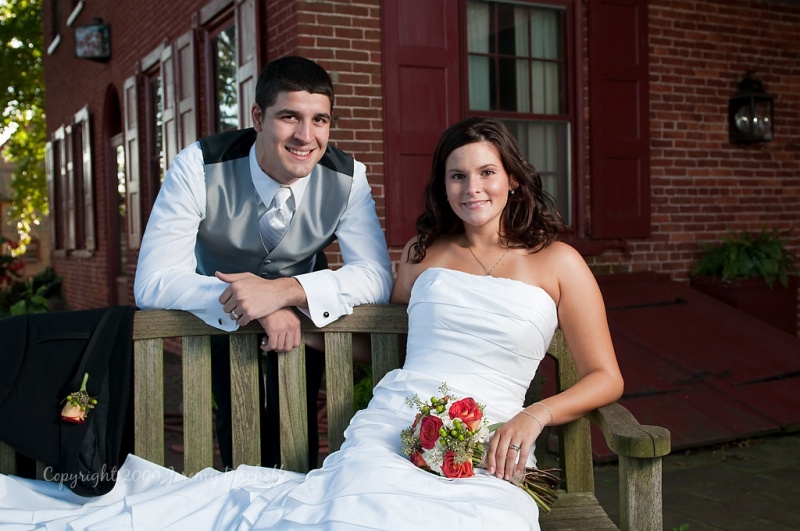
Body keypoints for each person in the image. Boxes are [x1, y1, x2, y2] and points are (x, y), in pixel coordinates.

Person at [0, 117, 622, 529]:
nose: (471, 187)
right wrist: (285, 305)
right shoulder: (421, 256)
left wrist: (535, 414)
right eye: (457, 175)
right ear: (445, 185)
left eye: (486, 172)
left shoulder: (557, 262)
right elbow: (365, 304)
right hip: (400, 422)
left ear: (511, 179)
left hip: (496, 437)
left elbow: (605, 377)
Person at [133, 55, 393, 470]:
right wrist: (248, 302)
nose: (306, 136)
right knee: (236, 424)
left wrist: (283, 294)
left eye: (320, 120)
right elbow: (153, 281)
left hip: (301, 318)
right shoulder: (198, 166)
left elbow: (377, 275)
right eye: (290, 117)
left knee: (299, 429)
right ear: (257, 116)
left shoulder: (348, 177)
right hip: (219, 313)